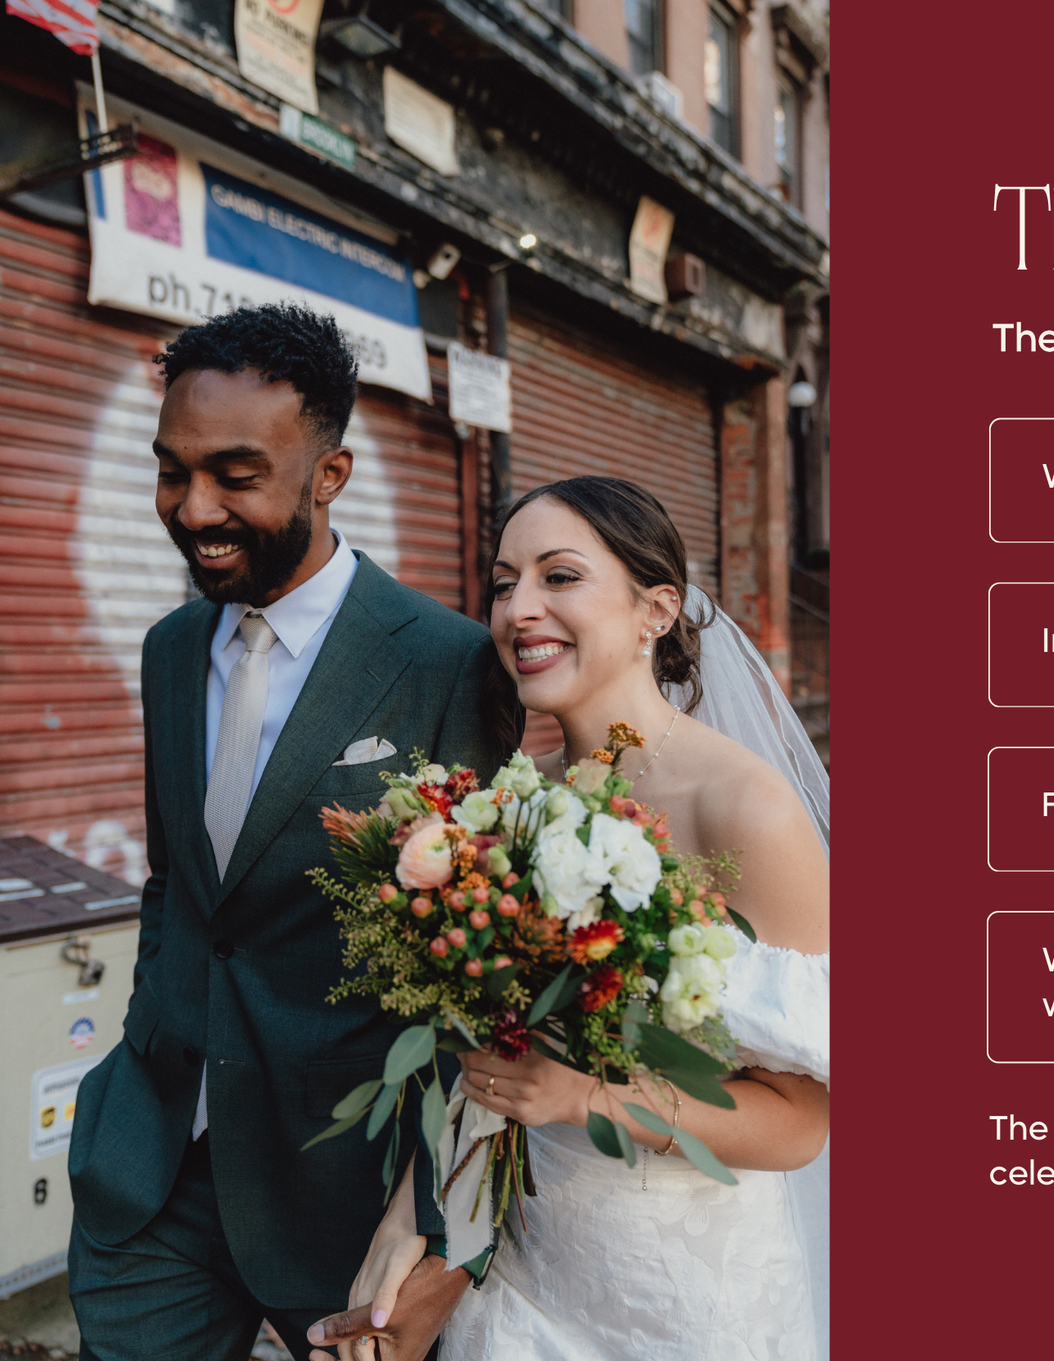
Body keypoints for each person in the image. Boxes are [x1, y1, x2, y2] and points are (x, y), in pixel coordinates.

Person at [66, 303, 522, 1360]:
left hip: (346, 1192)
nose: (194, 508)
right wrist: (146, 1035)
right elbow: (178, 884)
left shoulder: (449, 662)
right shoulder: (170, 647)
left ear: (331, 475)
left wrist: (437, 1222)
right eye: (171, 471)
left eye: (235, 475)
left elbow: (487, 969)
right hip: (152, 1170)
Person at [311, 476, 833, 1360]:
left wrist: (587, 1096)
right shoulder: (512, 804)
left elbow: (801, 1124)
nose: (519, 609)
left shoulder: (744, 807)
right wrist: (413, 1224)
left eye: (559, 576)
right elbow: (487, 1061)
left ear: (656, 610)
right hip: (529, 1275)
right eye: (503, 583)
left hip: (687, 1291)